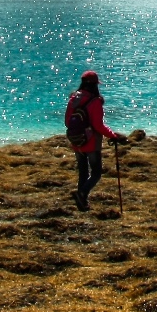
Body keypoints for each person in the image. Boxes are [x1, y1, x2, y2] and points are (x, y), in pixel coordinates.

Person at [64, 69, 122, 210]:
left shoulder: (74, 98)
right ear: (95, 85)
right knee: (96, 173)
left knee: (83, 172)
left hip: (76, 140)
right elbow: (98, 125)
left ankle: (82, 202)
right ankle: (82, 194)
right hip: (91, 142)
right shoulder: (94, 101)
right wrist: (113, 136)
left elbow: (67, 122)